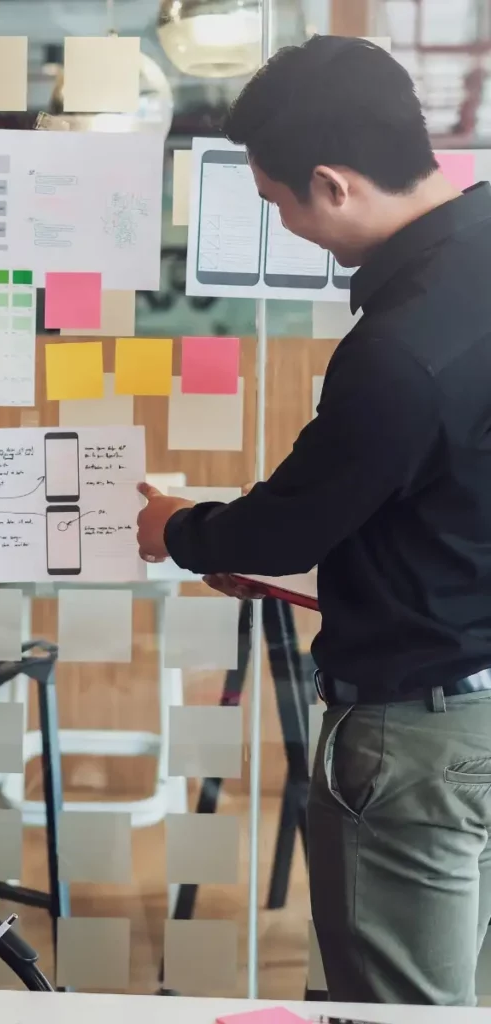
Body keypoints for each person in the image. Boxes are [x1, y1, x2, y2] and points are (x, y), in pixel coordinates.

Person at [136, 35, 491, 1006]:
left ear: (329, 184)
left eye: (277, 203)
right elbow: (444, 498)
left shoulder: (398, 350)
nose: (283, 223)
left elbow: (287, 524)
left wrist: (176, 527)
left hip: (421, 733)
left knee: (401, 1005)